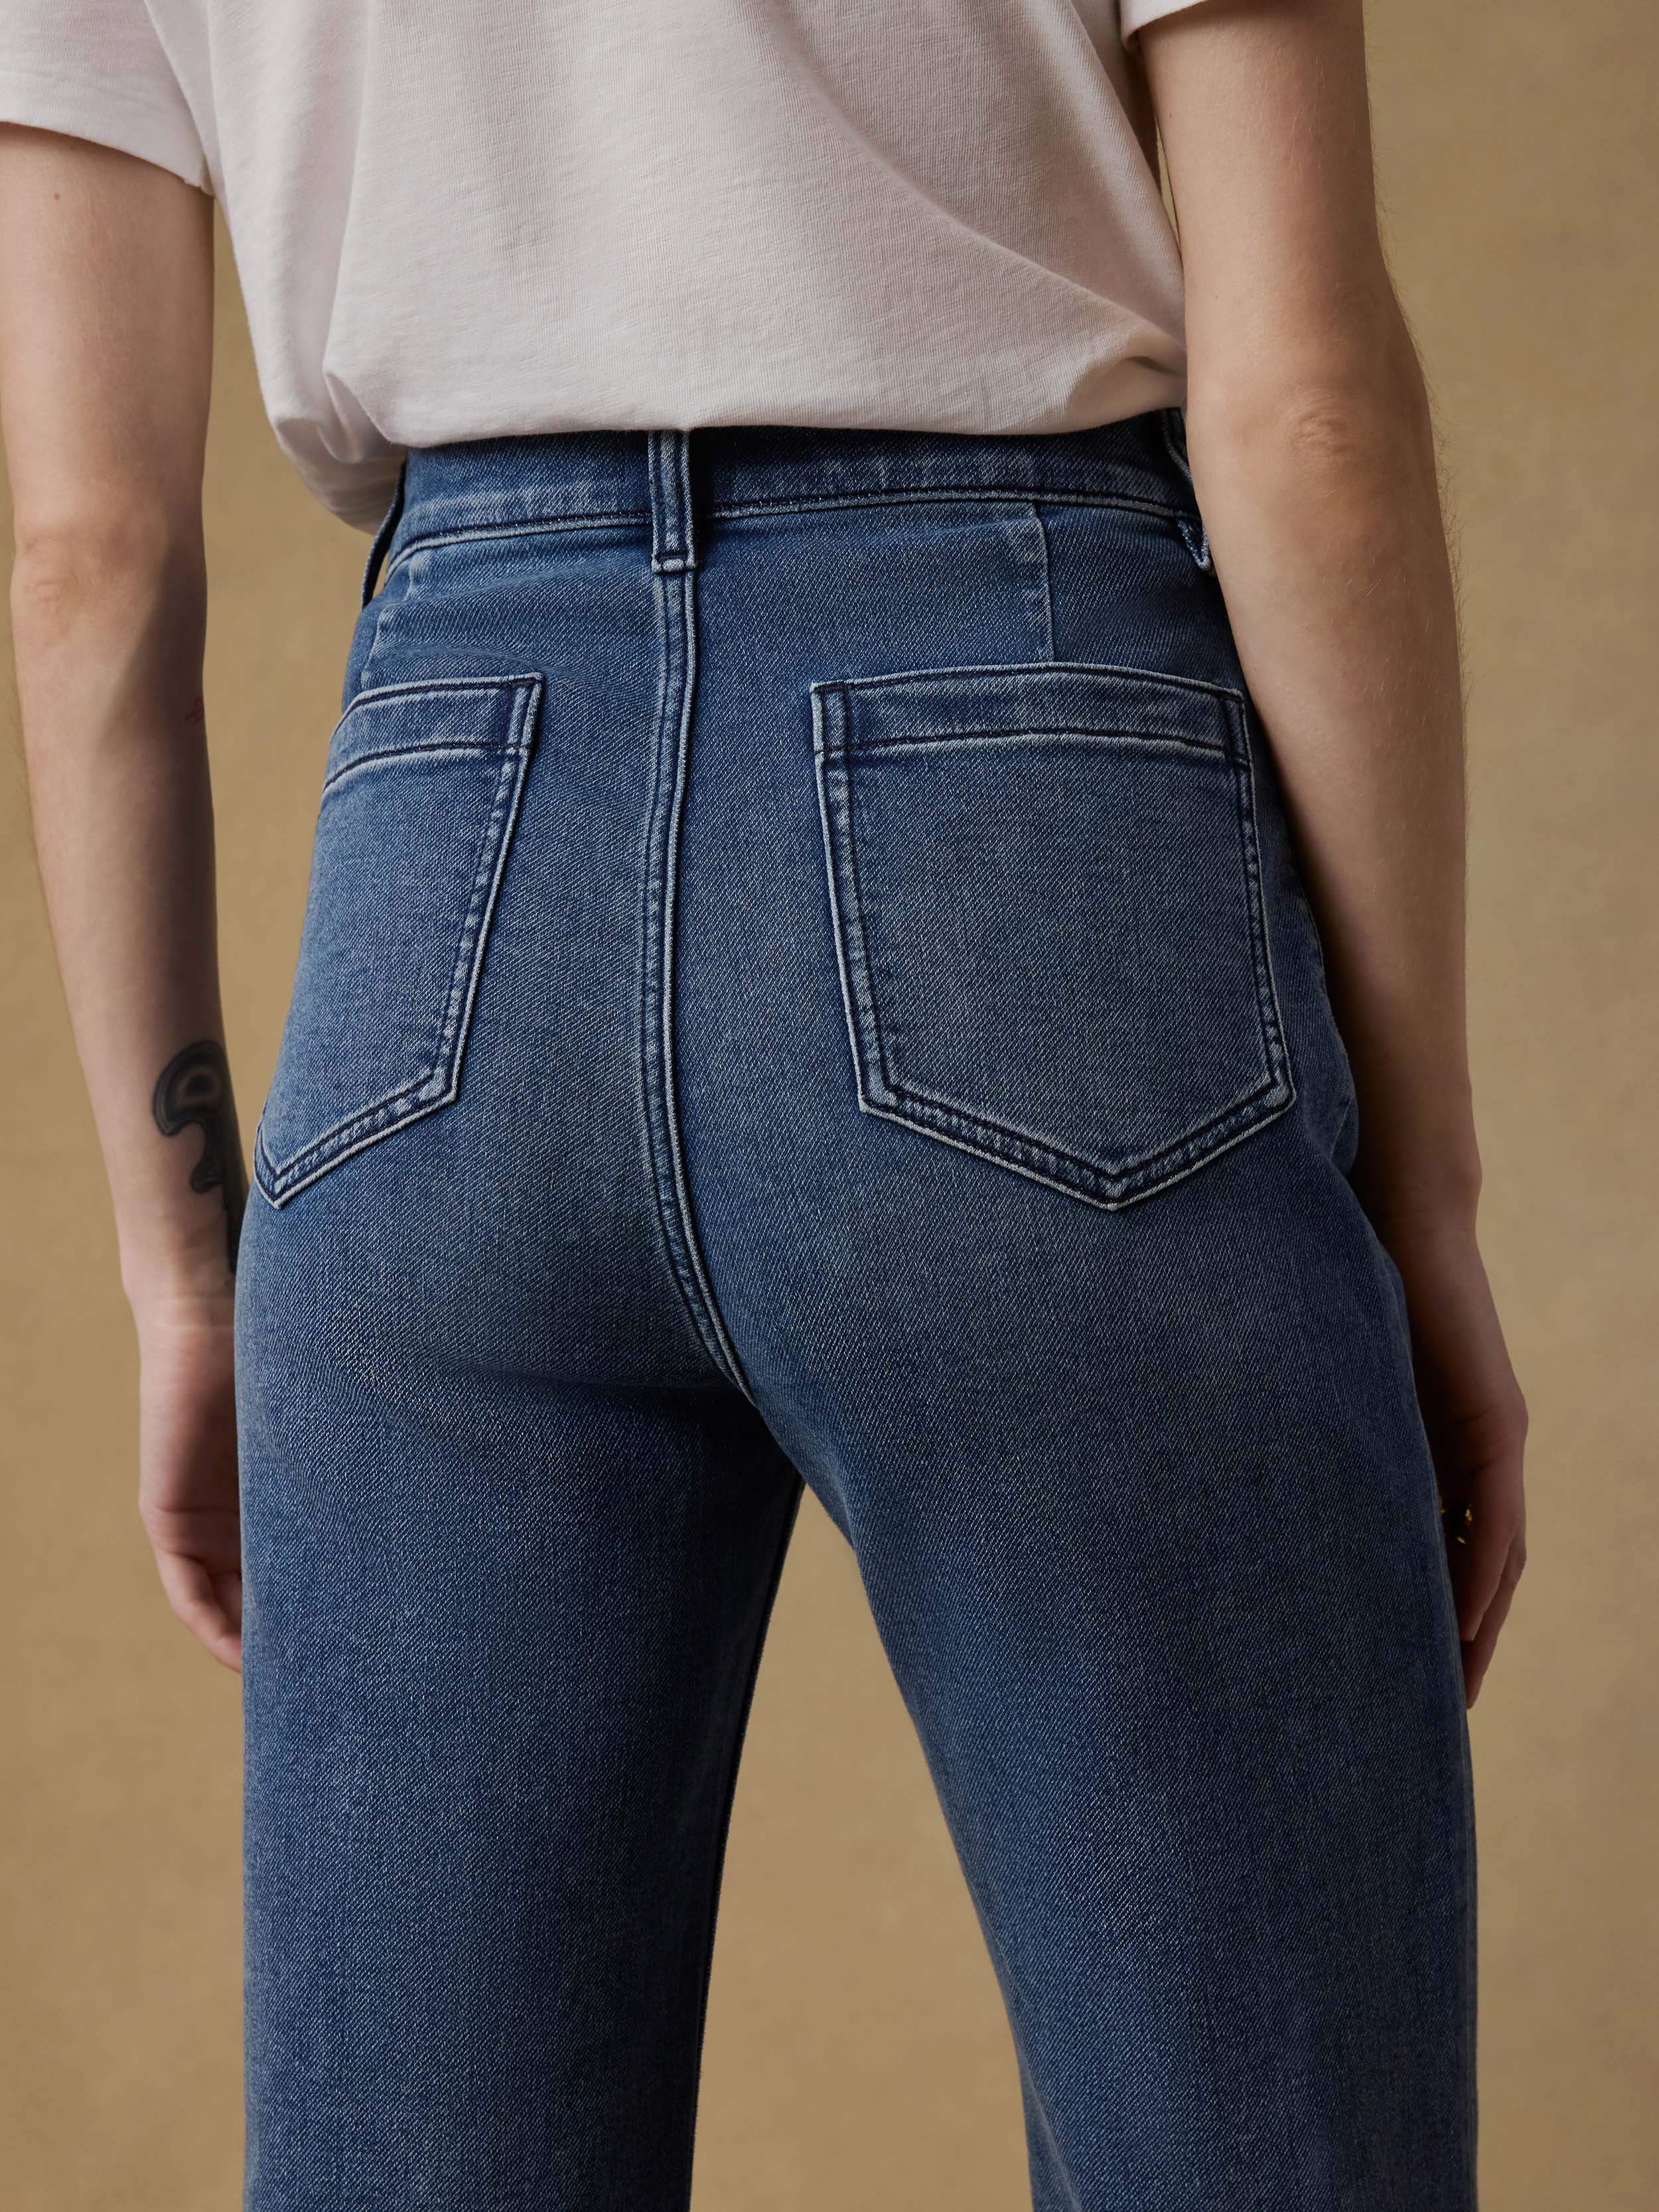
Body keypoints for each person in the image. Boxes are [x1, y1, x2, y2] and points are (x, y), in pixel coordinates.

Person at [0, 1, 1526, 2205]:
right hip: (1032, 780)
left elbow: (89, 554)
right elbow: (1301, 415)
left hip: (454, 839)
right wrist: (1422, 1187)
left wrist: (185, 1269)